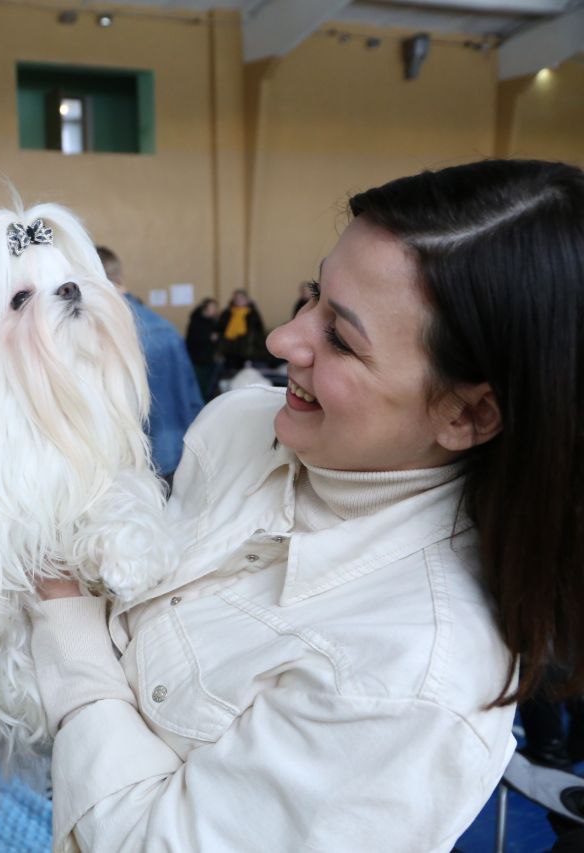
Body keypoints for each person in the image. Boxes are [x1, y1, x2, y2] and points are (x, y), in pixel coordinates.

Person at [33, 160, 584, 851]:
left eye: (342, 339)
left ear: (467, 413)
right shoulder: (240, 426)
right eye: (315, 296)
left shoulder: (405, 680)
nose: (282, 340)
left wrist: (65, 620)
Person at [96, 246, 202, 477]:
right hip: (177, 453)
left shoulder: (93, 334)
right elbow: (192, 398)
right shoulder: (165, 328)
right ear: (120, 278)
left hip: (126, 464)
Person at [217, 288, 265, 372]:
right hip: (229, 349)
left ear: (246, 299)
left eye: (241, 298)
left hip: (247, 350)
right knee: (230, 373)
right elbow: (220, 329)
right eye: (236, 298)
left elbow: (259, 332)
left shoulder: (253, 313)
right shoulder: (226, 313)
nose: (238, 300)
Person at [184, 298, 220, 402]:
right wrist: (209, 337)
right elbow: (192, 339)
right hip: (198, 359)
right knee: (199, 384)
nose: (215, 310)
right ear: (205, 308)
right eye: (212, 308)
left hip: (210, 358)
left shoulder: (213, 321)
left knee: (208, 385)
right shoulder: (195, 321)